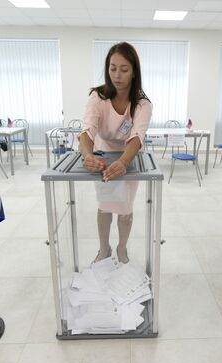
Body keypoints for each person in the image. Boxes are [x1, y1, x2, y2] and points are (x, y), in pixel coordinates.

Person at [79, 42, 152, 264]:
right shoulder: (97, 97)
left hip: (129, 157)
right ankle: (104, 249)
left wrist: (124, 161)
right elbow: (87, 130)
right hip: (103, 155)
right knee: (105, 205)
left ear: (134, 72)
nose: (117, 75)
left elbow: (137, 137)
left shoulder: (142, 104)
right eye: (112, 68)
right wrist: (87, 155)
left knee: (125, 207)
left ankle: (122, 248)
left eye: (124, 69)